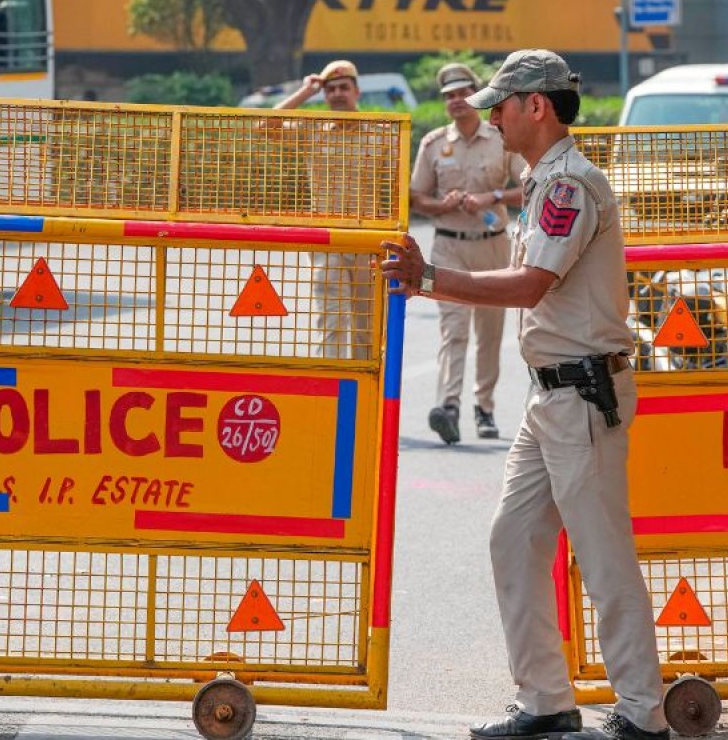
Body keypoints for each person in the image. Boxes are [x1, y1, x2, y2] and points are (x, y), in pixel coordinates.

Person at [380, 49, 668, 740]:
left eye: (499, 106)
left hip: (580, 396)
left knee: (602, 559)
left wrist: (430, 279)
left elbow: (529, 286)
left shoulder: (569, 185)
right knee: (513, 540)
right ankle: (546, 700)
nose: (491, 117)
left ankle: (642, 714)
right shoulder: (545, 181)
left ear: (535, 106)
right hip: (554, 399)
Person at [410, 63, 525, 444]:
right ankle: (449, 406)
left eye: (462, 93)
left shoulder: (501, 139)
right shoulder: (432, 144)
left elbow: (529, 186)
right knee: (453, 328)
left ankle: (484, 407)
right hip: (447, 245)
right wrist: (441, 206)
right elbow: (416, 197)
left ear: (476, 96)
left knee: (489, 332)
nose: (455, 101)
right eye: (448, 96)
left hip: (493, 244)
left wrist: (491, 197)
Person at [274, 60, 382, 360]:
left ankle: (364, 394)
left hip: (369, 241)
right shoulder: (312, 131)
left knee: (367, 327)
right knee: (332, 321)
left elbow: (393, 191)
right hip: (327, 240)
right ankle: (333, 392)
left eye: (343, 87)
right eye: (330, 89)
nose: (337, 94)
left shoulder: (382, 133)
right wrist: (304, 92)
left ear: (357, 92)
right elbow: (264, 125)